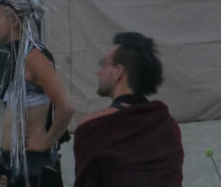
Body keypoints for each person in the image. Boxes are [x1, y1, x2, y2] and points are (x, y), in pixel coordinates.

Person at [0, 0, 75, 187]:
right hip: (14, 165)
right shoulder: (15, 56)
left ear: (14, 22)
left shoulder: (34, 56)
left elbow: (66, 105)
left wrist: (45, 141)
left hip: (34, 170)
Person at [74, 32, 183, 187]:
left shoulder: (94, 127)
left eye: (104, 64)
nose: (99, 71)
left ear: (118, 71)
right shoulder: (167, 124)